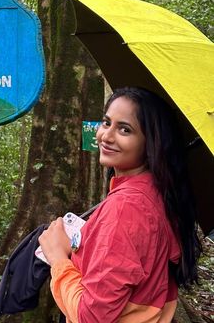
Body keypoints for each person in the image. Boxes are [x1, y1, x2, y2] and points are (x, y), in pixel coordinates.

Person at [38, 86, 201, 323]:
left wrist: (58, 259)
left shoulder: (126, 208)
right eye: (106, 123)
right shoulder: (158, 194)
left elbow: (91, 317)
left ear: (151, 142)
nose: (106, 136)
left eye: (125, 129)